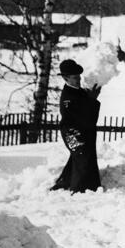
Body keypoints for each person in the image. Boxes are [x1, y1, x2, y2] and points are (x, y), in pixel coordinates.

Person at [50, 59, 102, 194]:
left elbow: (88, 117)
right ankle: (80, 189)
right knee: (82, 157)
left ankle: (65, 182)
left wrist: (91, 99)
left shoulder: (78, 91)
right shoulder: (68, 96)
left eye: (79, 76)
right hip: (72, 131)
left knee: (83, 156)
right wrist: (92, 101)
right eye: (74, 77)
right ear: (65, 78)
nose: (78, 79)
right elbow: (82, 117)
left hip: (83, 130)